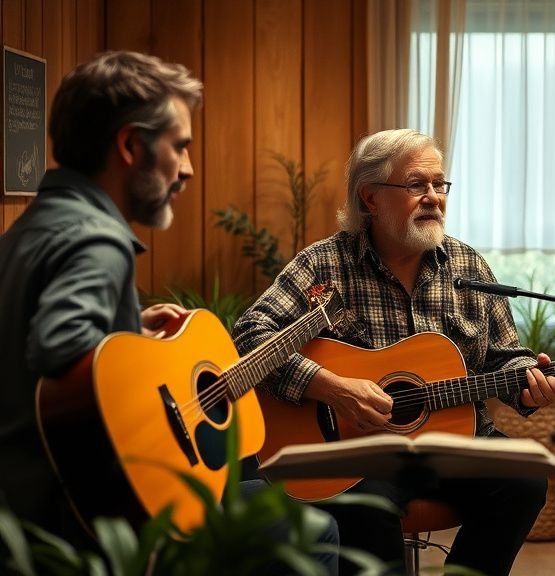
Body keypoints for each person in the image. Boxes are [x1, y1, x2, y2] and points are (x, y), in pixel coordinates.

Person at [0, 50, 338, 573]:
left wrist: (130, 330)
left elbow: (32, 352)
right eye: (179, 147)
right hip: (85, 525)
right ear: (132, 145)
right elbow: (60, 347)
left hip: (22, 506)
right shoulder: (98, 239)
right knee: (311, 528)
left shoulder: (31, 229)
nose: (187, 168)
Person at [232, 128, 555, 575]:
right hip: (356, 450)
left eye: (438, 184)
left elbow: (502, 356)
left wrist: (527, 379)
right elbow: (250, 335)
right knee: (366, 506)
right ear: (370, 198)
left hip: (456, 441)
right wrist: (332, 387)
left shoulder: (467, 266)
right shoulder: (325, 263)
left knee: (524, 482)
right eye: (416, 185)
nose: (433, 197)